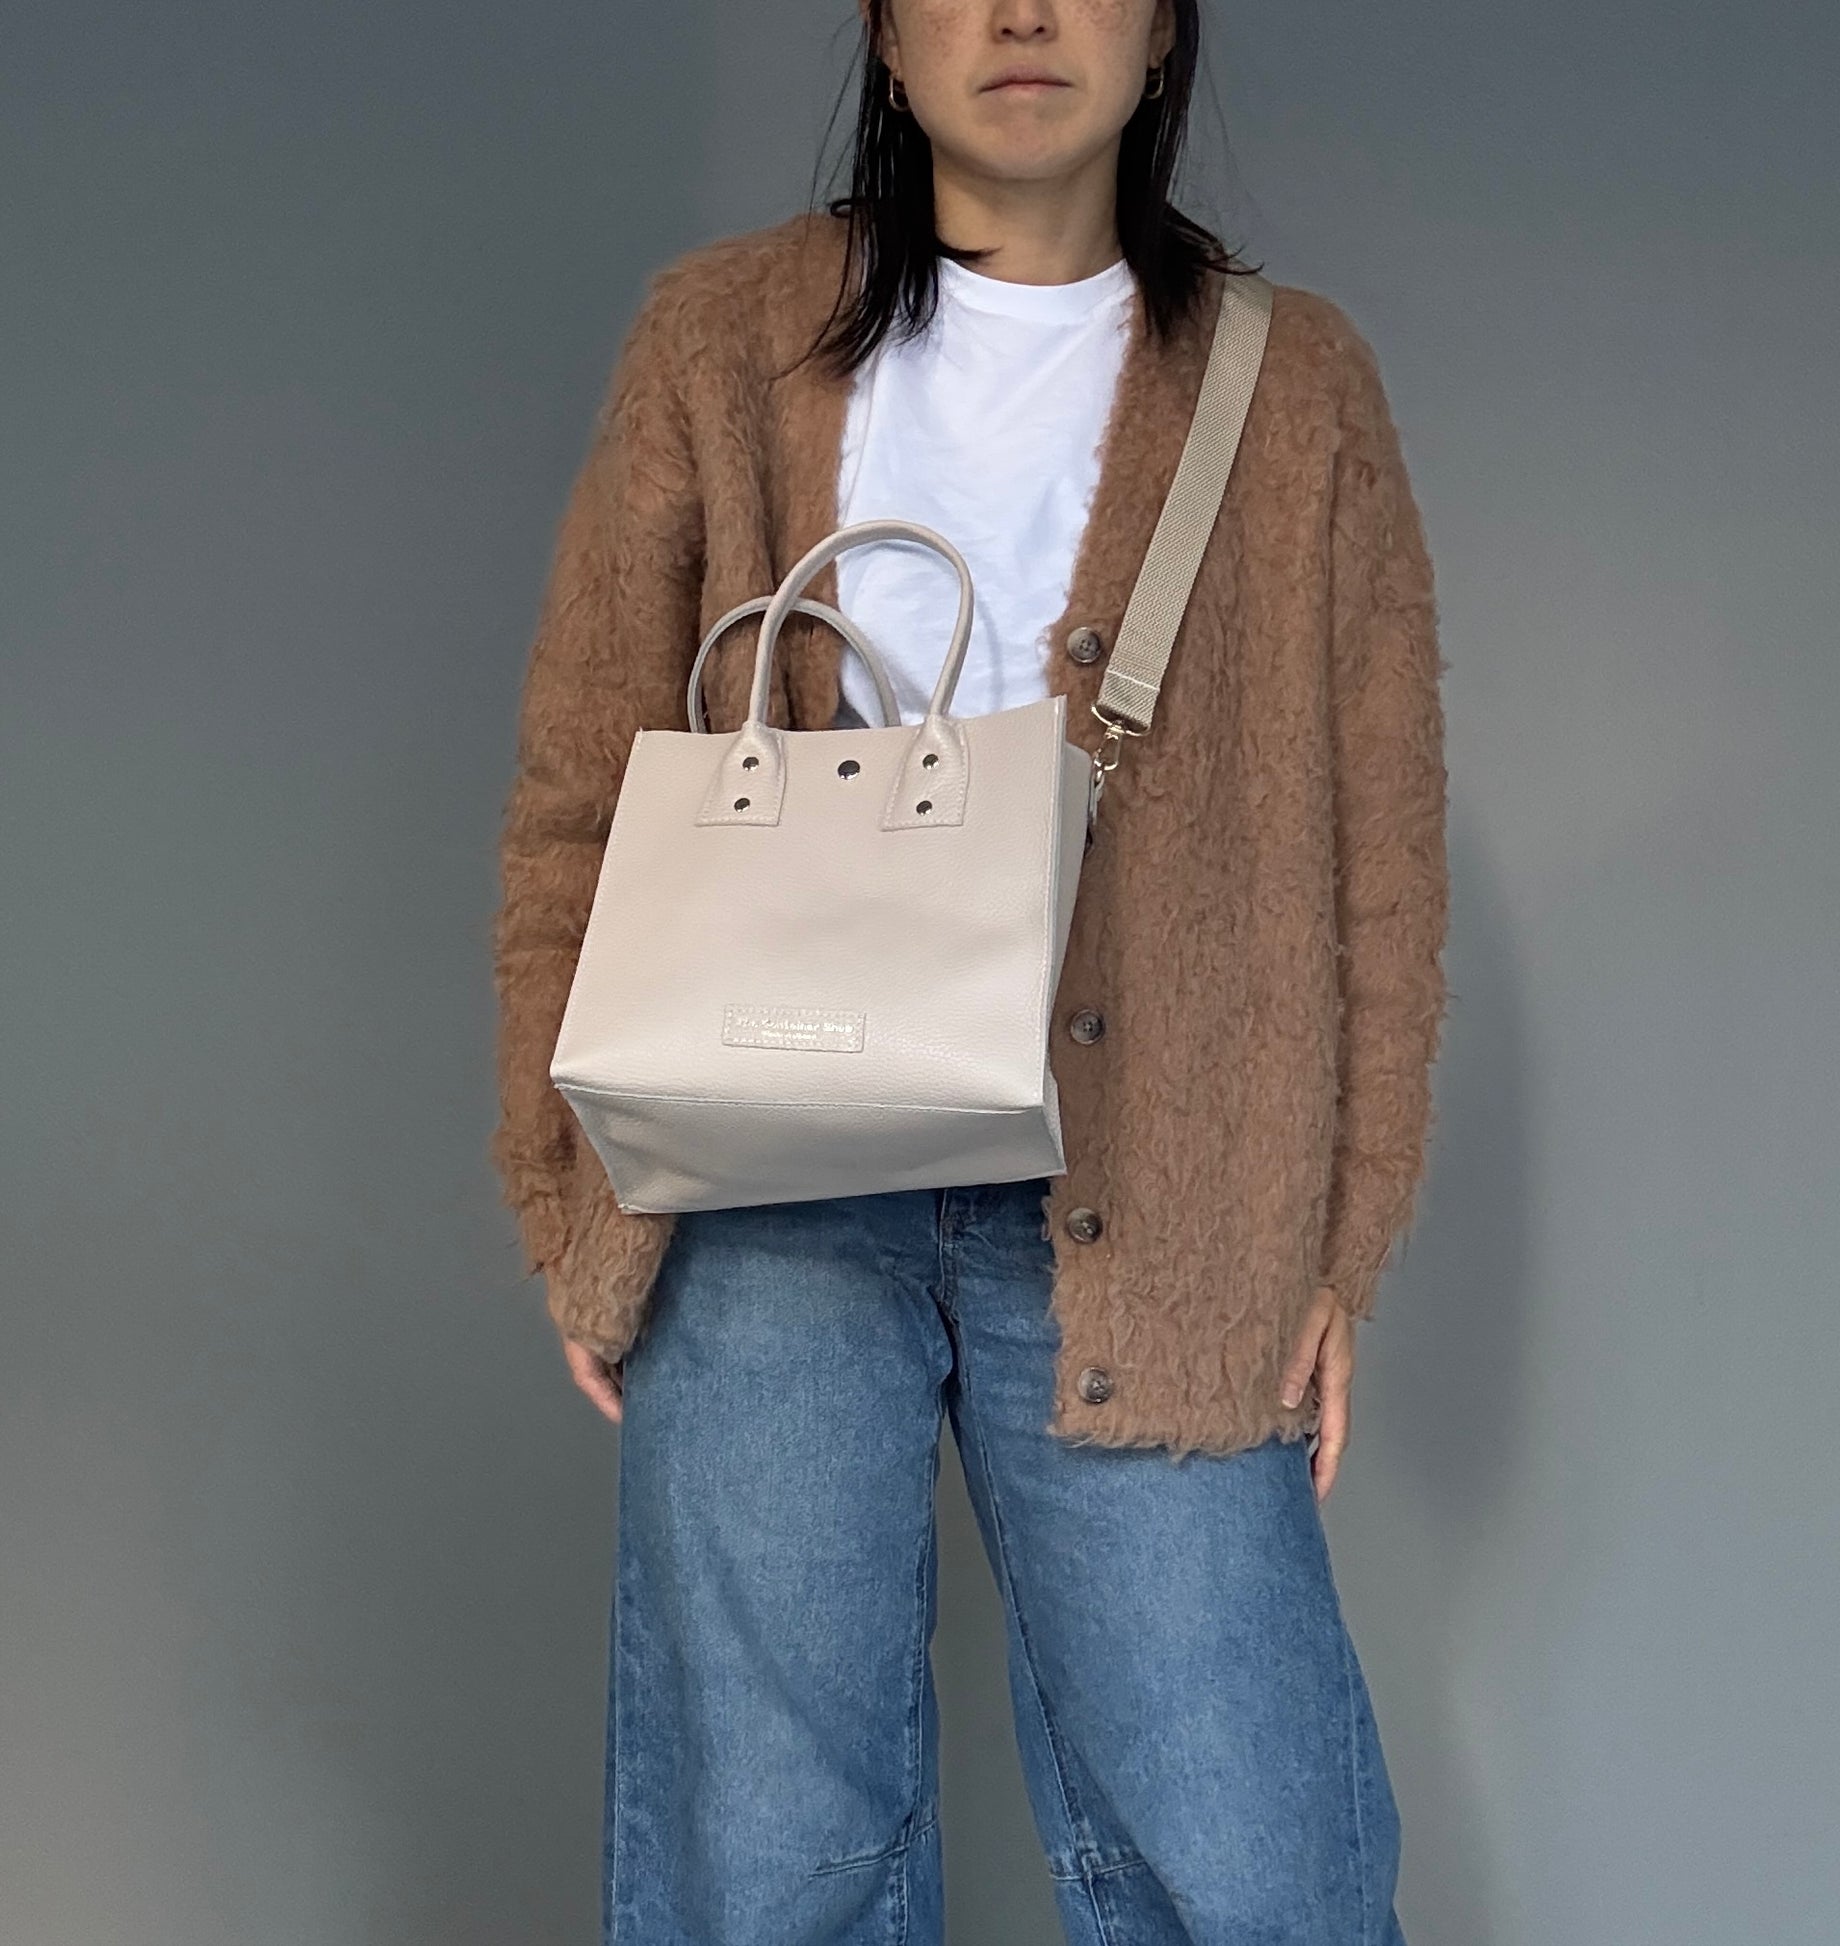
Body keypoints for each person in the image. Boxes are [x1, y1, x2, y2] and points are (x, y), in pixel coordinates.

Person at [490, 3, 1448, 1940]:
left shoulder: (1291, 382)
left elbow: (1381, 845)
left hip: (1173, 1178)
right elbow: (583, 783)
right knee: (770, 1858)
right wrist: (569, 1182)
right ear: (884, 33)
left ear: (1161, 34)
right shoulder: (717, 336)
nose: (1019, 14)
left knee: (1245, 1852)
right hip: (758, 1180)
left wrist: (1339, 1237)